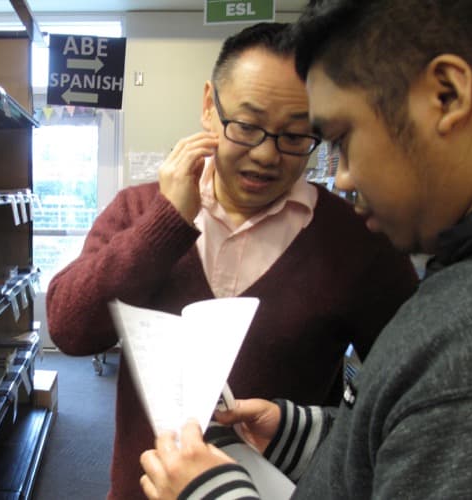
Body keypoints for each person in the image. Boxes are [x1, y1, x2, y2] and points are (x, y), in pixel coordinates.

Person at [139, 1, 472, 498]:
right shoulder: (467, 288)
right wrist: (302, 434)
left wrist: (208, 494)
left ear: (446, 95)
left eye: (340, 137)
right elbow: (389, 439)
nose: (342, 177)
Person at [45, 22, 419, 500]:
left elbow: (410, 387)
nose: (266, 155)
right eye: (246, 126)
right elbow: (70, 329)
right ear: (209, 106)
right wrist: (166, 223)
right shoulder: (138, 211)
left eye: (295, 136)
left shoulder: (356, 239)